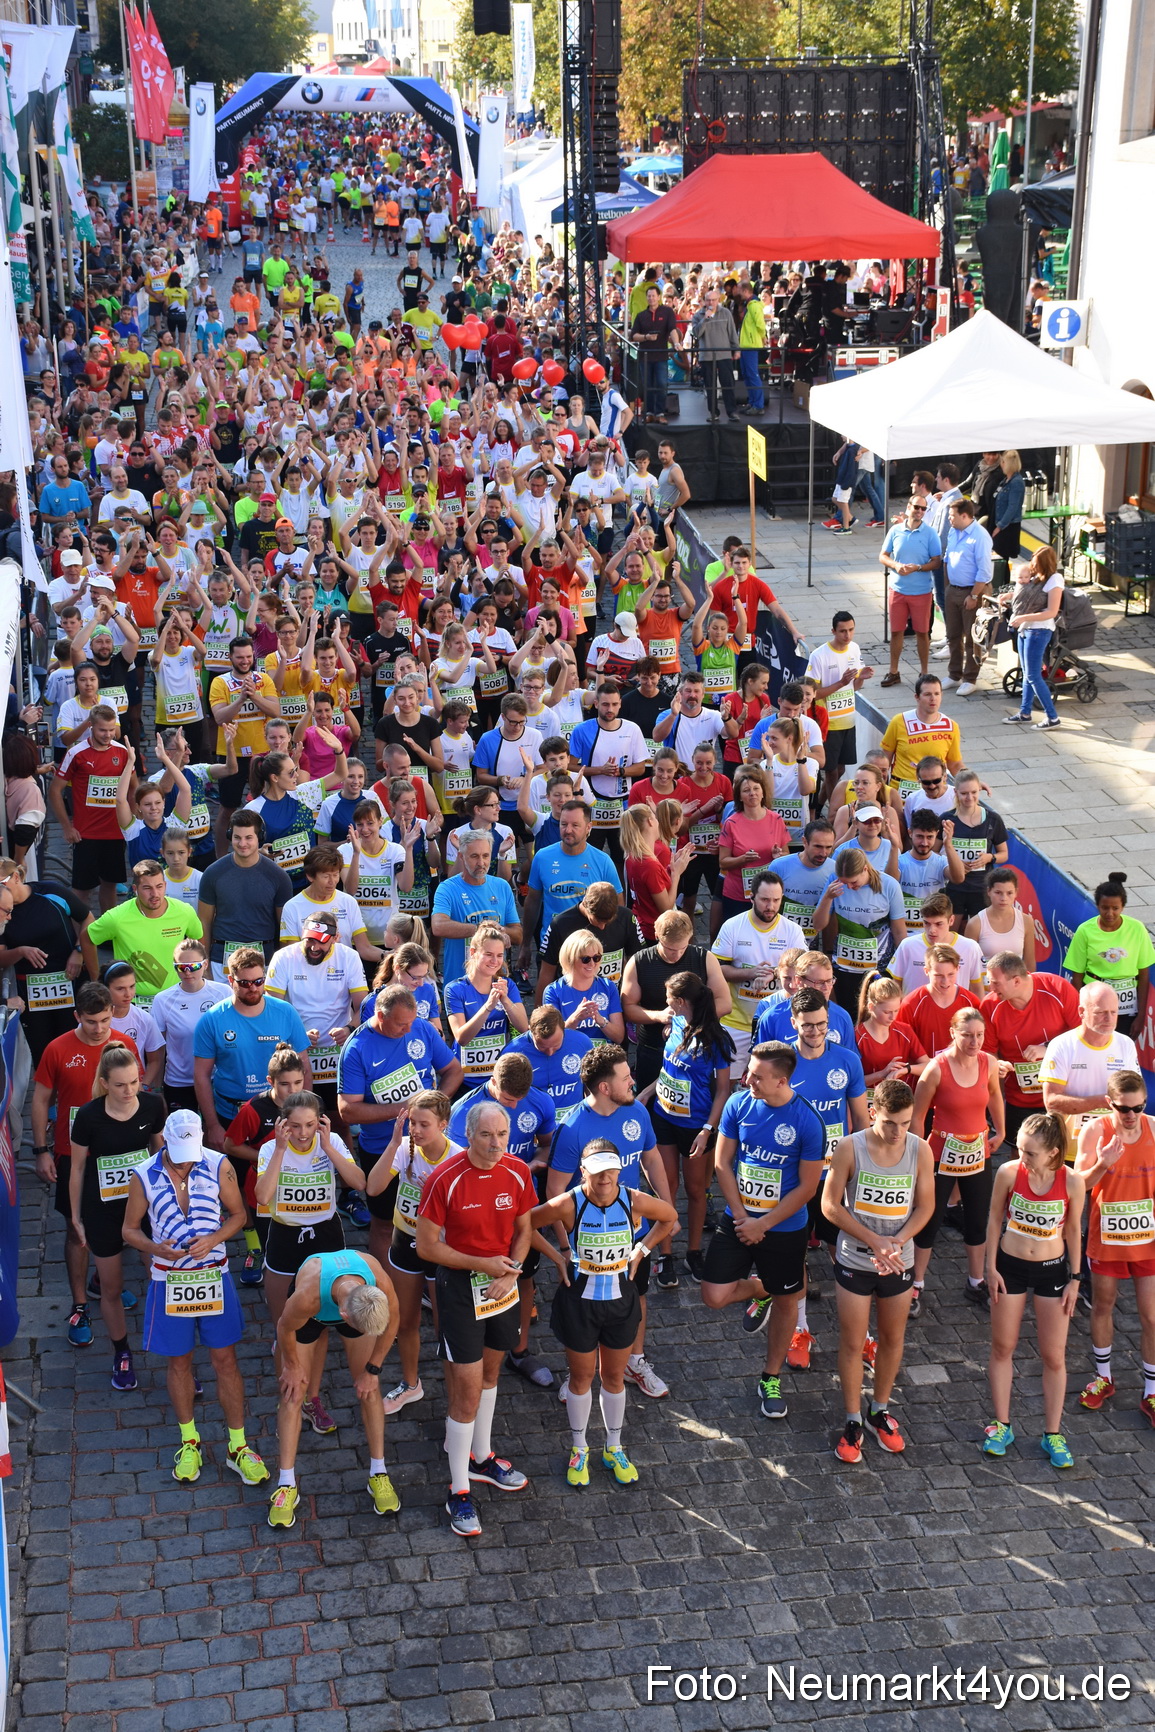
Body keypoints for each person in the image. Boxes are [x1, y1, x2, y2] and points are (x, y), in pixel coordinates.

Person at [122, 1109, 269, 1489]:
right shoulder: (144, 1174)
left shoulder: (219, 1165)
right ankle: (189, 1442)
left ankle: (238, 1446)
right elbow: (129, 1230)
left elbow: (239, 1215)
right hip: (168, 1279)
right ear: (165, 1143)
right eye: (179, 1151)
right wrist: (156, 1247)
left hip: (213, 1276)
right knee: (179, 1363)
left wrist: (215, 1239)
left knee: (225, 1359)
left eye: (192, 1150)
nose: (187, 1159)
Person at [415, 1099, 536, 1537]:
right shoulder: (443, 1179)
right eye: (486, 1135)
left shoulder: (519, 1171)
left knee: (490, 1373)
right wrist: (481, 1265)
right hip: (460, 1290)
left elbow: (524, 1231)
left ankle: (481, 1458)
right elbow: (426, 1247)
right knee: (464, 1391)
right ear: (468, 1136)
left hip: (503, 1288)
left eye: (501, 1134)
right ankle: (459, 1491)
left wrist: (512, 1272)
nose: (495, 1144)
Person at [532, 1141, 677, 1487]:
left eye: (610, 1171)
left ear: (619, 1170)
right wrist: (558, 1256)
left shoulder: (633, 1199)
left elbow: (669, 1216)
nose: (604, 1179)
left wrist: (641, 1251)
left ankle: (614, 1447)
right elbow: (524, 1224)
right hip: (580, 1304)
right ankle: (579, 1448)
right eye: (596, 1172)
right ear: (584, 1172)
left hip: (620, 1303)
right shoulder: (569, 1203)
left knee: (613, 1377)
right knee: (581, 1379)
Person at [700, 1041, 826, 1421]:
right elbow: (722, 1162)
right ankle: (761, 1288)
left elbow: (807, 1188)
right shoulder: (739, 1104)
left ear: (782, 1081)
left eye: (756, 1075)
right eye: (749, 1071)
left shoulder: (807, 1120)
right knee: (713, 1296)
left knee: (788, 1301)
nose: (747, 1078)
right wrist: (742, 1217)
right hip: (740, 1221)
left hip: (784, 1228)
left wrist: (764, 1224)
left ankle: (770, 1377)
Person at [546, 1043, 674, 1400]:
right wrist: (565, 1247)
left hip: (634, 1236)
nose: (633, 1081)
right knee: (583, 1307)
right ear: (604, 1088)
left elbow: (651, 1159)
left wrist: (663, 1206)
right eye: (625, 1077)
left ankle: (635, 1360)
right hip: (587, 1243)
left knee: (638, 1293)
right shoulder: (572, 1128)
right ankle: (580, 1376)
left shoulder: (637, 1112)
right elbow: (554, 1191)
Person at [822, 1079, 935, 1462]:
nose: (898, 1132)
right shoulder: (849, 1147)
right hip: (856, 1258)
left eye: (906, 1123)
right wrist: (874, 1240)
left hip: (897, 1260)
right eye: (890, 1123)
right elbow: (830, 1205)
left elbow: (925, 1206)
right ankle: (853, 1418)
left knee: (892, 1338)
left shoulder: (920, 1150)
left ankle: (879, 1409)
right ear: (873, 1114)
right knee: (853, 1343)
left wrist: (898, 1241)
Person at [31, 983, 142, 1348]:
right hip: (71, 1154)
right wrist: (41, 1150)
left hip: (118, 1155)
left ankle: (104, 1283)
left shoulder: (124, 1044)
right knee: (76, 1231)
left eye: (105, 1020)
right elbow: (41, 1097)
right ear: (77, 1016)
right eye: (91, 1021)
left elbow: (136, 1095)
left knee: (120, 1221)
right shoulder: (58, 1048)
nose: (99, 1029)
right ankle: (79, 1305)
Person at [269, 1247, 399, 1527]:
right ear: (343, 1314)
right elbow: (284, 1327)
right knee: (292, 1394)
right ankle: (286, 1485)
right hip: (309, 1318)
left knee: (370, 1390)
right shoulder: (307, 1297)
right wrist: (291, 1366)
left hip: (351, 1303)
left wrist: (373, 1370)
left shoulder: (377, 1280)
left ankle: (379, 1473)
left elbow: (393, 1323)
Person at [982, 1111, 1084, 1469]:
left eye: (1030, 1153)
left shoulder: (1071, 1182)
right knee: (1002, 1346)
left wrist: (1075, 1279)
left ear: (1054, 1153)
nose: (1021, 1158)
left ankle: (1052, 1433)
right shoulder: (1009, 1173)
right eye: (1020, 1149)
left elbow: (1073, 1231)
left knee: (1054, 1355)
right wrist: (989, 1266)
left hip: (1052, 1272)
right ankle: (1002, 1425)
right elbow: (994, 1218)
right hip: (1010, 1268)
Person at [337, 984, 462, 1264]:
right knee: (383, 1224)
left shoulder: (421, 1029)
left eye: (412, 1021)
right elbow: (347, 1111)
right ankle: (384, 1285)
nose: (408, 1030)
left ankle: (431, 1281)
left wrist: (435, 1104)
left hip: (431, 1148)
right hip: (384, 1149)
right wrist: (404, 1109)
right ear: (381, 1016)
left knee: (438, 1221)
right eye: (401, 1024)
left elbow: (453, 1070)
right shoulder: (357, 1048)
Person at [68, 1042, 166, 1390]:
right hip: (104, 1212)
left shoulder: (153, 1105)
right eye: (121, 1084)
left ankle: (175, 1355)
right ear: (105, 1083)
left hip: (146, 1210)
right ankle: (121, 1352)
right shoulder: (89, 1116)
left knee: (161, 1276)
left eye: (135, 1082)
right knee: (111, 1288)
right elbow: (77, 1169)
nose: (129, 1091)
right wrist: (76, 1217)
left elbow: (160, 1153)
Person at [367, 1092, 463, 1416]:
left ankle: (456, 1399)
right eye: (413, 1123)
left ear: (444, 1125)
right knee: (404, 1321)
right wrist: (394, 1143)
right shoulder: (405, 1148)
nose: (417, 1131)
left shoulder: (458, 1159)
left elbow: (467, 1217)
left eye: (425, 1124)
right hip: (405, 1239)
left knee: (445, 1327)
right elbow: (373, 1187)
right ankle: (411, 1385)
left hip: (440, 1248)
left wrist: (436, 1193)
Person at [640, 972, 734, 1287]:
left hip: (696, 1126)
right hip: (664, 1116)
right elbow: (669, 1069)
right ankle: (665, 1253)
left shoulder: (716, 1039)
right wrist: (646, 1093)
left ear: (681, 1001)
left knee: (695, 1191)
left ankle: (693, 1251)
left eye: (668, 999)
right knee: (665, 1187)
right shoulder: (676, 1024)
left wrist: (708, 1129)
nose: (665, 1004)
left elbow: (723, 1090)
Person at [911, 1007, 1005, 1312]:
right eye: (967, 1035)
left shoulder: (988, 1063)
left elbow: (994, 1095)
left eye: (979, 1035)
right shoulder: (936, 1068)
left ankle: (976, 1280)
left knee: (977, 1218)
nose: (974, 1041)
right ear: (953, 1033)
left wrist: (1001, 1130)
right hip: (941, 1154)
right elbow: (918, 1115)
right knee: (930, 1219)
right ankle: (916, 1284)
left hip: (977, 1152)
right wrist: (917, 1152)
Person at [1074, 1071, 1155, 1423]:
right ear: (1110, 1103)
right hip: (1107, 1236)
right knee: (1103, 1305)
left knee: (1151, 1315)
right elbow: (1078, 1185)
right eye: (1124, 1108)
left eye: (1139, 1107)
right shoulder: (1095, 1131)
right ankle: (1103, 1377)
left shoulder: (1154, 1129)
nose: (1132, 1115)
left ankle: (1151, 1391)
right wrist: (1103, 1162)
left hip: (1148, 1239)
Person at [193, 947, 312, 1151]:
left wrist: (308, 1113)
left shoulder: (285, 1012)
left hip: (280, 1112)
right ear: (231, 981)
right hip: (230, 1113)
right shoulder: (212, 1020)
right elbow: (201, 1076)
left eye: (258, 981)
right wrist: (212, 1125)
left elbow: (304, 1067)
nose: (253, 988)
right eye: (245, 983)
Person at [713, 873, 807, 1078]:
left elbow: (803, 970)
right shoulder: (733, 926)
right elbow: (716, 969)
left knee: (776, 1082)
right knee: (726, 1082)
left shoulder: (793, 931)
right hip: (736, 1022)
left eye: (776, 900)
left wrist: (773, 974)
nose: (771, 906)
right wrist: (750, 973)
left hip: (777, 1022)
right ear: (751, 896)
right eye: (765, 899)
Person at [980, 952, 1078, 1148]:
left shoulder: (1057, 989)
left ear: (1016, 981)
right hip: (1020, 1096)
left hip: (1063, 1091)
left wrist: (1048, 1049)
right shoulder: (990, 1006)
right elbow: (988, 1051)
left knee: (1062, 1152)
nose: (991, 988)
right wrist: (996, 1064)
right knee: (1022, 1152)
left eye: (996, 983)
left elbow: (1083, 1034)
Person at [0, 860, 92, 1065]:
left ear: (16, 877)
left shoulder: (51, 892)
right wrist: (21, 952)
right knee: (43, 1057)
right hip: (30, 992)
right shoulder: (2, 911)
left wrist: (78, 952)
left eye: (1, 883)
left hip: (70, 981)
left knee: (76, 1050)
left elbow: (88, 919)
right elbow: (1, 957)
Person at [49, 701, 133, 911]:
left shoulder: (122, 752)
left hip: (115, 833)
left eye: (111, 729)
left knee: (110, 885)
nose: (108, 735)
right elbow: (55, 790)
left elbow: (134, 788)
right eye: (102, 730)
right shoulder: (76, 753)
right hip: (86, 834)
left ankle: (107, 931)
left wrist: (132, 821)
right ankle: (79, 937)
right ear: (91, 727)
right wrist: (67, 827)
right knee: (82, 890)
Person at [520, 801, 623, 971]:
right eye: (563, 824)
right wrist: (525, 945)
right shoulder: (542, 857)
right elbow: (532, 903)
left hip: (589, 951)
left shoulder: (603, 861)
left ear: (588, 827)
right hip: (553, 946)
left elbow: (618, 906)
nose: (568, 830)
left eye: (575, 825)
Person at [1040, 983, 1139, 1157]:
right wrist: (1100, 1102)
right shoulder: (1062, 1045)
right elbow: (1051, 1102)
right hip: (1071, 1151)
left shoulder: (1126, 1044)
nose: (1108, 1019)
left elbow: (1135, 1095)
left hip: (1114, 1149)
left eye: (1114, 1012)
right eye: (1100, 1013)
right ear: (1081, 1012)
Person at [81, 859, 203, 999]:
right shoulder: (117, 917)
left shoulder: (184, 911)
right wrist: (97, 981)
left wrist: (196, 974)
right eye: (147, 888)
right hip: (132, 1000)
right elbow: (87, 938)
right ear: (135, 889)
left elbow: (199, 939)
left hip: (175, 996)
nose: (155, 894)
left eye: (159, 886)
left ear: (165, 885)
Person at [197, 809, 294, 980]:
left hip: (265, 961)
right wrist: (205, 965)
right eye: (237, 837)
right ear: (229, 836)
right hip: (221, 962)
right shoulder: (212, 873)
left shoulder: (279, 877)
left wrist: (283, 967)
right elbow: (204, 922)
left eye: (248, 837)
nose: (242, 843)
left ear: (260, 838)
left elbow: (284, 927)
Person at [813, 849, 907, 1015]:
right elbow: (818, 925)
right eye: (845, 882)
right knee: (848, 1014)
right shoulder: (834, 882)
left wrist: (902, 969)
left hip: (879, 967)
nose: (849, 887)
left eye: (853, 882)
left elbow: (899, 931)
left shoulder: (889, 885)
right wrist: (827, 898)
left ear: (865, 869)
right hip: (845, 967)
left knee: (874, 1016)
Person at [1063, 873, 1154, 1038]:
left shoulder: (1137, 929)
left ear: (1123, 907)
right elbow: (1076, 977)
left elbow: (1144, 974)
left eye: (1115, 908)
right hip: (1095, 1005)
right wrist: (1081, 1011)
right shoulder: (1085, 931)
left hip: (1127, 1007)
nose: (1110, 913)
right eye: (1105, 908)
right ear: (1097, 906)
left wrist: (1141, 1016)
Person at [431, 830, 521, 985]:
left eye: (485, 856)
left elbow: (518, 935)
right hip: (460, 983)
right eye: (474, 856)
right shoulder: (447, 888)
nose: (481, 863)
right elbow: (438, 927)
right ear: (461, 856)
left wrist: (500, 931)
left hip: (497, 982)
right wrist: (482, 929)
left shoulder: (502, 886)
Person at [804, 613, 874, 807]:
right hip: (828, 723)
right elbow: (813, 693)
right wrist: (841, 682)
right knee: (831, 770)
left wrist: (861, 678)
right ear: (833, 631)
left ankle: (817, 806)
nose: (848, 635)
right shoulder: (819, 655)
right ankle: (835, 810)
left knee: (841, 768)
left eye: (851, 630)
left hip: (848, 720)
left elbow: (855, 687)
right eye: (843, 631)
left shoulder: (854, 649)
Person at [445, 923, 529, 1080]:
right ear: (473, 953)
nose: (494, 961)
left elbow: (524, 1027)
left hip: (499, 1077)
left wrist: (505, 1000)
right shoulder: (455, 989)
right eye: (488, 954)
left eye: (499, 955)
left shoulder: (507, 985)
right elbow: (461, 1038)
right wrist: (488, 1007)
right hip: (465, 1078)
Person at [878, 497, 940, 686]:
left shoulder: (930, 533)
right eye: (917, 507)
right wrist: (896, 565)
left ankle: (924, 672)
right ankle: (893, 671)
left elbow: (937, 561)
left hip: (921, 592)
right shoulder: (895, 530)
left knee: (922, 633)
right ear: (909, 507)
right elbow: (883, 555)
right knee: (896, 631)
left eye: (923, 508)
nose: (920, 511)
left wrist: (918, 568)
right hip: (898, 590)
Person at [1003, 544, 1063, 730]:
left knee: (1033, 675)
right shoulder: (1036, 577)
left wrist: (1022, 617)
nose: (1032, 566)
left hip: (1039, 631)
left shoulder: (1054, 580)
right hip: (1025, 629)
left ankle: (1052, 718)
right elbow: (1027, 595)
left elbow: (1051, 612)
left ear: (1045, 564)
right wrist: (1010, 596)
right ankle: (1025, 713)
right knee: (1027, 674)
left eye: (1036, 563)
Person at [717, 767, 789, 922]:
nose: (752, 793)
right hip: (737, 893)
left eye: (756, 788)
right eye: (746, 790)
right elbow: (723, 862)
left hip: (767, 896)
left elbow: (786, 855)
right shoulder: (732, 823)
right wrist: (743, 859)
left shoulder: (776, 820)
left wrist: (778, 857)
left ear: (763, 792)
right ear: (740, 797)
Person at [507, 1005, 594, 1129]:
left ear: (564, 1030)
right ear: (530, 1031)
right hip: (531, 1127)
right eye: (542, 1047)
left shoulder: (582, 1042)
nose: (550, 1052)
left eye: (556, 1046)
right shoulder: (513, 1053)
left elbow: (591, 1086)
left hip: (573, 1126)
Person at [880, 675, 963, 802]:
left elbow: (955, 764)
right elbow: (884, 760)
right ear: (917, 697)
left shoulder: (951, 726)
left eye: (937, 694)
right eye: (927, 694)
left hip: (935, 793)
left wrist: (971, 780)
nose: (933, 699)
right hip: (902, 795)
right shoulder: (899, 722)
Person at [620, 804, 694, 945]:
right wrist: (676, 873)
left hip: (642, 924)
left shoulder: (633, 856)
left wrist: (669, 869)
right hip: (655, 931)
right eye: (655, 817)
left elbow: (651, 884)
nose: (658, 821)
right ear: (650, 821)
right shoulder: (649, 864)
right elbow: (666, 907)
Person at [941, 498, 992, 697]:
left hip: (972, 592)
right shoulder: (954, 531)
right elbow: (947, 558)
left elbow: (985, 571)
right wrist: (947, 587)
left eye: (952, 516)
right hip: (953, 590)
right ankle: (954, 674)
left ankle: (970, 678)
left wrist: (974, 595)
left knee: (973, 637)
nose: (949, 519)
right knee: (953, 635)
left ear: (965, 516)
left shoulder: (980, 536)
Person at [542, 930, 626, 1046]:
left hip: (601, 1057)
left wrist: (600, 1020)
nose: (592, 964)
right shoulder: (553, 991)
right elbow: (550, 1039)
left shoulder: (608, 986)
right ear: (570, 959)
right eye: (586, 959)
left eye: (596, 958)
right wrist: (575, 1018)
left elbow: (619, 1037)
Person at [967, 867, 1036, 971]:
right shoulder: (975, 924)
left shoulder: (1026, 921)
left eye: (1009, 893)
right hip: (986, 985)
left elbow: (1029, 963)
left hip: (1016, 984)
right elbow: (968, 964)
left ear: (1016, 892)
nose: (1004, 898)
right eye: (998, 892)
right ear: (989, 891)